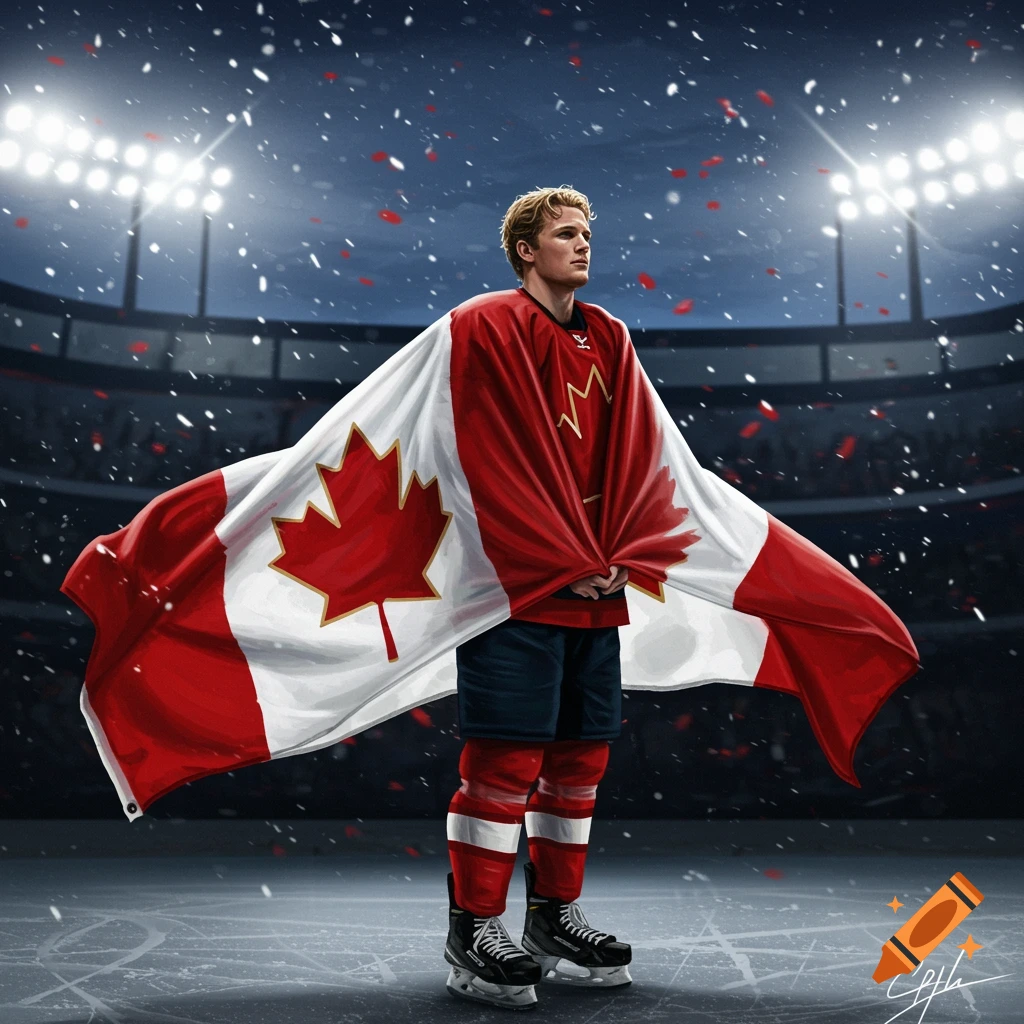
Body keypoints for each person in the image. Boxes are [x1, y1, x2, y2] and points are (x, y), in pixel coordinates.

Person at [443, 186, 634, 1009]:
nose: (583, 245)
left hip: (596, 580)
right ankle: (473, 928)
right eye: (566, 234)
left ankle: (553, 917)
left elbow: (633, 452)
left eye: (587, 233)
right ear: (527, 250)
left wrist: (621, 545)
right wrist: (562, 556)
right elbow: (485, 459)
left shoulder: (613, 337)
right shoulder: (486, 323)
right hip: (514, 584)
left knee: (579, 764)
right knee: (504, 763)